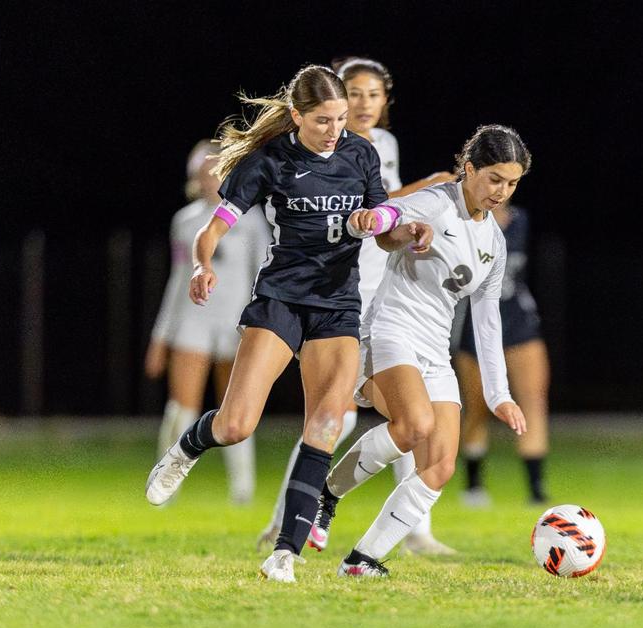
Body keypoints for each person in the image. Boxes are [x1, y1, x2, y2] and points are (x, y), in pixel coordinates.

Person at [142, 65, 433, 582]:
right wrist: (203, 265)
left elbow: (384, 224)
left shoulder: (361, 154)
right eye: (323, 120)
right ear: (297, 115)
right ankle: (187, 448)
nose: (335, 130)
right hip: (280, 300)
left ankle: (285, 554)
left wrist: (396, 227)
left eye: (341, 119)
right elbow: (214, 229)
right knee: (235, 426)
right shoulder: (268, 160)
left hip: (338, 306)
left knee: (324, 423)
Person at [306, 125, 531, 577]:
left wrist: (498, 395)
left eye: (511, 183)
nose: (501, 192)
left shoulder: (495, 242)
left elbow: (488, 322)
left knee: (441, 464)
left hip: (434, 348)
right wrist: (404, 229)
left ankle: (361, 559)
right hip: (390, 330)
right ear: (469, 169)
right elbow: (385, 220)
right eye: (493, 179)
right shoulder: (437, 201)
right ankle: (326, 494)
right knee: (414, 425)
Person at [257, 56, 457, 555]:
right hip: (335, 291)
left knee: (412, 413)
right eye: (355, 93)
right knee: (337, 413)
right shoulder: (329, 148)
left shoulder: (381, 145)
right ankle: (289, 515)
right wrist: (428, 188)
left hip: (381, 295)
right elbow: (376, 207)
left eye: (373, 94)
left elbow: (385, 211)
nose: (364, 103)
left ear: (385, 101)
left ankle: (416, 528)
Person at [144, 140, 270, 504]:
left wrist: (259, 322)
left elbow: (263, 272)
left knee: (236, 407)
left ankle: (242, 490)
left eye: (216, 172)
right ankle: (165, 483)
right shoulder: (184, 221)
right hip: (192, 321)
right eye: (203, 173)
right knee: (181, 406)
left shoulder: (252, 217)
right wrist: (160, 337)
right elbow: (176, 279)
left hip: (236, 324)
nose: (210, 179)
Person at [455, 199, 551, 507]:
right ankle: (473, 486)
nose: (501, 189)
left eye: (509, 181)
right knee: (477, 407)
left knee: (533, 402)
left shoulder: (520, 218)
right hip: (476, 322)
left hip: (518, 320)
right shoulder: (460, 220)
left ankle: (536, 491)